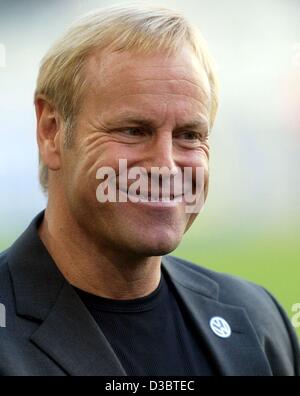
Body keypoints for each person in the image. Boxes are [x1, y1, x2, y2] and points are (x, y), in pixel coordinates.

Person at [0, 3, 299, 376]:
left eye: (189, 136)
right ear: (51, 131)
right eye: (133, 130)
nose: (165, 165)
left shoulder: (259, 320)